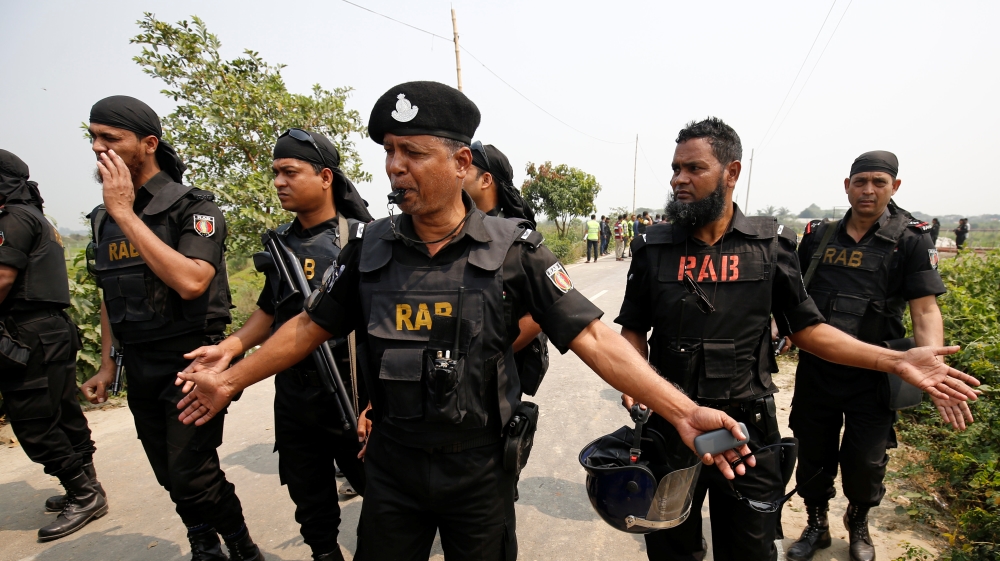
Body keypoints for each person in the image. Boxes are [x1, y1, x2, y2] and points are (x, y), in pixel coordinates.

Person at [173, 81, 775, 561]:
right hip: (392, 470)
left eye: (413, 153)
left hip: (480, 472)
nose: (395, 167)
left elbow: (592, 335)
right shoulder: (368, 247)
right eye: (389, 152)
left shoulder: (516, 250)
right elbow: (309, 327)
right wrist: (230, 377)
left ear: (461, 162)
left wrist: (681, 411)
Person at [616, 118, 978, 561]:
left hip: (746, 434)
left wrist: (894, 361)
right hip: (670, 424)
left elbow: (807, 329)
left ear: (731, 173)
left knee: (749, 550)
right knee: (671, 549)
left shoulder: (771, 247)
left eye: (694, 169)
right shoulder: (652, 249)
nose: (679, 180)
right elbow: (633, 329)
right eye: (676, 169)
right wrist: (635, 379)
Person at [78, 96, 263, 561]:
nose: (98, 148)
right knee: (167, 470)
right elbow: (111, 293)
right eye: (93, 138)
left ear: (148, 144)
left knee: (191, 473)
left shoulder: (193, 207)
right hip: (139, 363)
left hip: (191, 362)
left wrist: (125, 213)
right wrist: (107, 364)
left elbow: (192, 281)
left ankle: (243, 548)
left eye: (110, 138)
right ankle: (203, 540)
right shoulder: (103, 217)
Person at [180, 130, 373, 561]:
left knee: (379, 492)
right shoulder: (282, 243)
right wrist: (230, 347)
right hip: (294, 394)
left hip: (352, 389)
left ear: (325, 177)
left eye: (290, 172)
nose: (279, 182)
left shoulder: (364, 239)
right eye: (275, 173)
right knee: (309, 496)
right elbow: (271, 310)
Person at [788, 151, 970, 561]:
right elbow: (792, 297)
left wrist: (934, 365)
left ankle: (858, 522)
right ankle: (816, 524)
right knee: (813, 453)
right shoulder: (818, 236)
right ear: (847, 186)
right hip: (818, 369)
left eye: (879, 182)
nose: (868, 190)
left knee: (866, 461)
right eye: (860, 181)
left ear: (894, 187)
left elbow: (924, 310)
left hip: (877, 374)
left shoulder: (911, 239)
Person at [0, 150, 108, 542]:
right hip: (49, 330)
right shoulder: (34, 216)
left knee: (34, 422)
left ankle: (84, 494)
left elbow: (2, 277)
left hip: (29, 332)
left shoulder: (12, 218)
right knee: (62, 412)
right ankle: (86, 484)